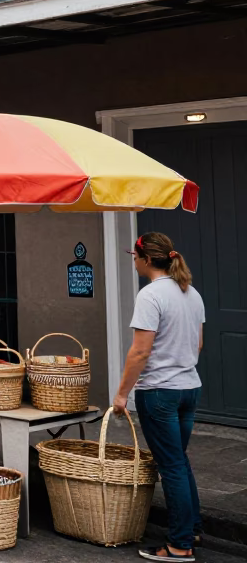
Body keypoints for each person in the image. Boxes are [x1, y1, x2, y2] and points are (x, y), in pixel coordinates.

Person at [114, 232, 205, 562]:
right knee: (179, 461)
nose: (133, 260)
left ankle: (180, 545)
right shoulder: (191, 293)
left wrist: (122, 394)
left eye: (134, 255)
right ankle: (191, 526)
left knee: (171, 466)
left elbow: (139, 352)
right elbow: (197, 345)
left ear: (147, 259)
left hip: (159, 392)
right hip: (188, 388)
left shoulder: (150, 295)